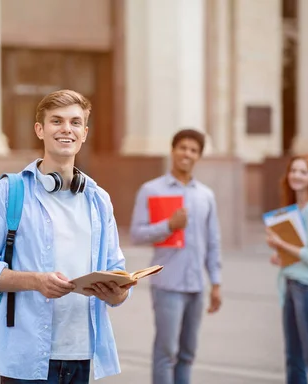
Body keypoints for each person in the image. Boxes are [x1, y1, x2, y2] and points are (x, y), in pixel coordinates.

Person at [0, 89, 134, 383]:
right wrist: (35, 281)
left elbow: (115, 268)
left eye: (75, 122)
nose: (66, 129)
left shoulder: (98, 199)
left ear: (84, 133)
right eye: (56, 121)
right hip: (25, 356)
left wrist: (119, 291)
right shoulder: (8, 192)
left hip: (82, 353)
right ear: (40, 130)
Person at [129, 128, 222, 384]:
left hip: (196, 285)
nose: (187, 154)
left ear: (198, 156)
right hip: (167, 283)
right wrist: (168, 226)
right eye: (183, 148)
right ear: (172, 151)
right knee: (166, 352)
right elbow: (136, 234)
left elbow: (213, 242)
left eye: (193, 150)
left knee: (188, 353)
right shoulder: (151, 190)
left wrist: (216, 282)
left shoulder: (206, 196)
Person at [265, 154, 308, 384]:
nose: (296, 175)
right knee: (293, 357)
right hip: (292, 284)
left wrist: (280, 244)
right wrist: (280, 256)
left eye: (303, 172)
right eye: (293, 170)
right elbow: (300, 251)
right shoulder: (295, 208)